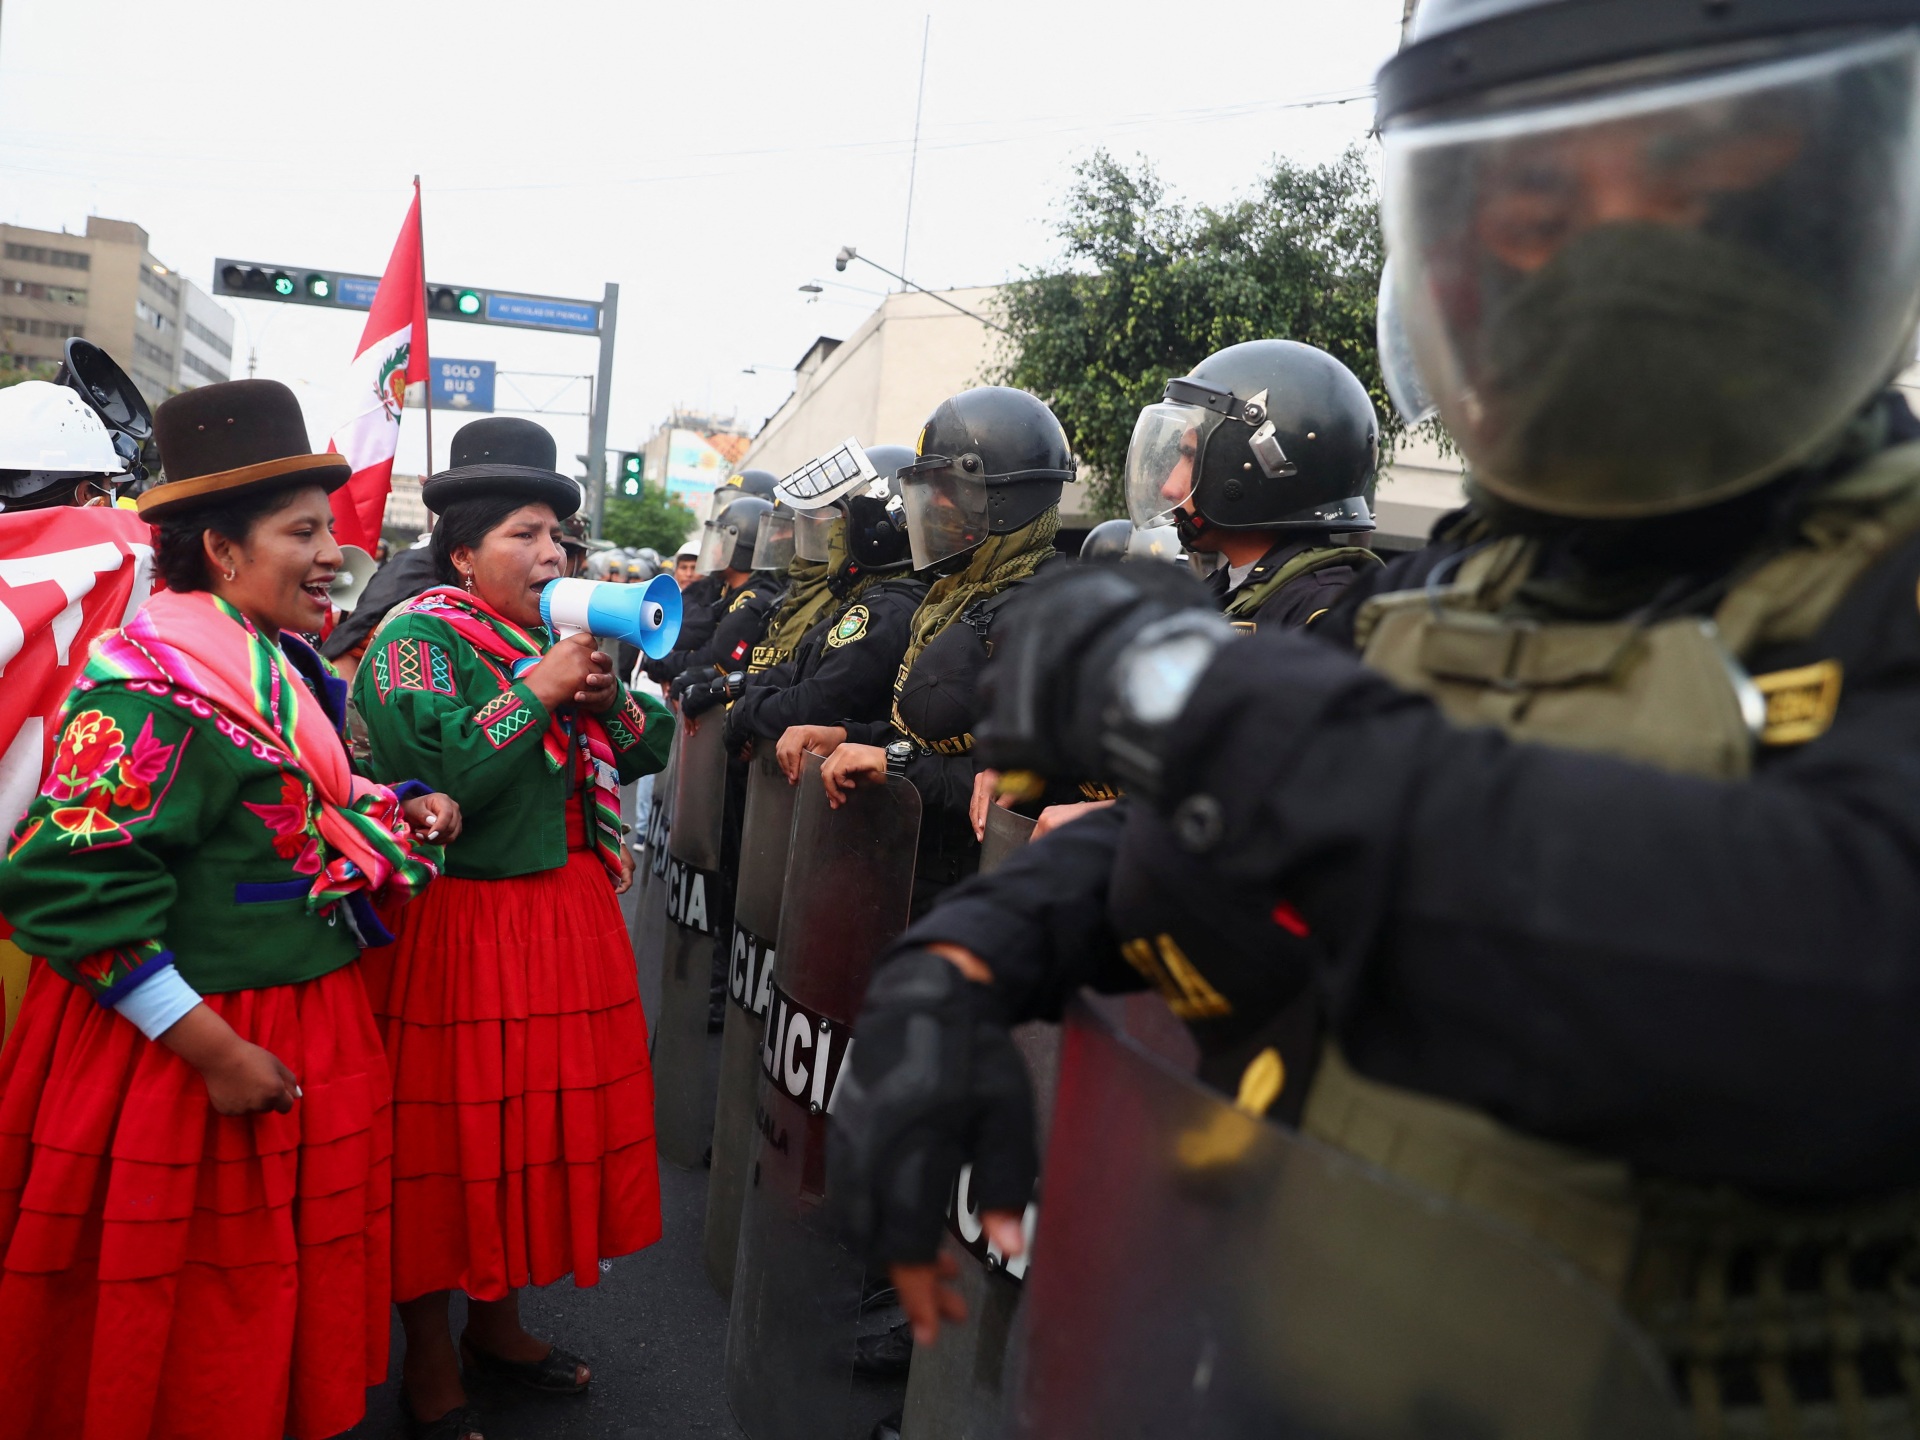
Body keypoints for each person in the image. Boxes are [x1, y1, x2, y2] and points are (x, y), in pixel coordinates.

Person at [831, 6, 1920, 1432]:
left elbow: (1849, 986)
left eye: (1696, 186)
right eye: (1533, 210)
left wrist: (1191, 700)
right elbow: (1259, 835)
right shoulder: (1484, 571)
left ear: (1834, 200)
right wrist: (975, 955)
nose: (1606, 271)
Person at [0, 378, 455, 1440]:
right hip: (184, 1053)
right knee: (188, 1324)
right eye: (304, 531)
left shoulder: (266, 662)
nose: (332, 553)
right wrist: (208, 1049)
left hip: (293, 1026)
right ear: (221, 551)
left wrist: (390, 806)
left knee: (261, 1306)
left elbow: (284, 800)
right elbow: (72, 882)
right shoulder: (153, 687)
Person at [351, 417, 672, 1440]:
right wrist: (532, 697)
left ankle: (499, 1324)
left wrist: (602, 691)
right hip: (464, 925)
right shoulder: (416, 639)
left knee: (527, 1135)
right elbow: (435, 781)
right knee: (444, 1142)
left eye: (561, 541)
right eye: (528, 536)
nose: (554, 557)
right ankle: (432, 1356)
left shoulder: (553, 637)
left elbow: (650, 742)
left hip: (561, 917)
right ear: (461, 554)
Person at [800, 388, 1076, 916]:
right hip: (910, 875)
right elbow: (926, 738)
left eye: (945, 490)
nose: (929, 510)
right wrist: (851, 735)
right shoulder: (959, 592)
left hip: (972, 904)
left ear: (999, 497)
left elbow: (1015, 782)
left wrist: (894, 764)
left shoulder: (1050, 617)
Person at [1126, 339, 1382, 630]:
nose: (1169, 488)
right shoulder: (1227, 592)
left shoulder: (1326, 615)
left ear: (1258, 462)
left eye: (1189, 456)